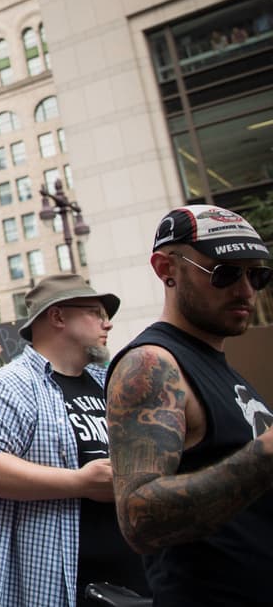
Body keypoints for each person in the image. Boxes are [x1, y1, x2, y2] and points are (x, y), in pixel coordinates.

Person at [106, 205, 273, 604]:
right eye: (225, 273)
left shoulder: (222, 370)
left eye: (257, 275)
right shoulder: (151, 365)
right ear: (166, 268)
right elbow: (138, 521)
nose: (246, 290)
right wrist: (266, 455)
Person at [0, 274, 148, 606]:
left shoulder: (109, 382)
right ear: (58, 316)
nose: (107, 324)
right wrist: (80, 483)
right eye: (95, 313)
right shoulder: (9, 384)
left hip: (131, 581)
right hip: (48, 588)